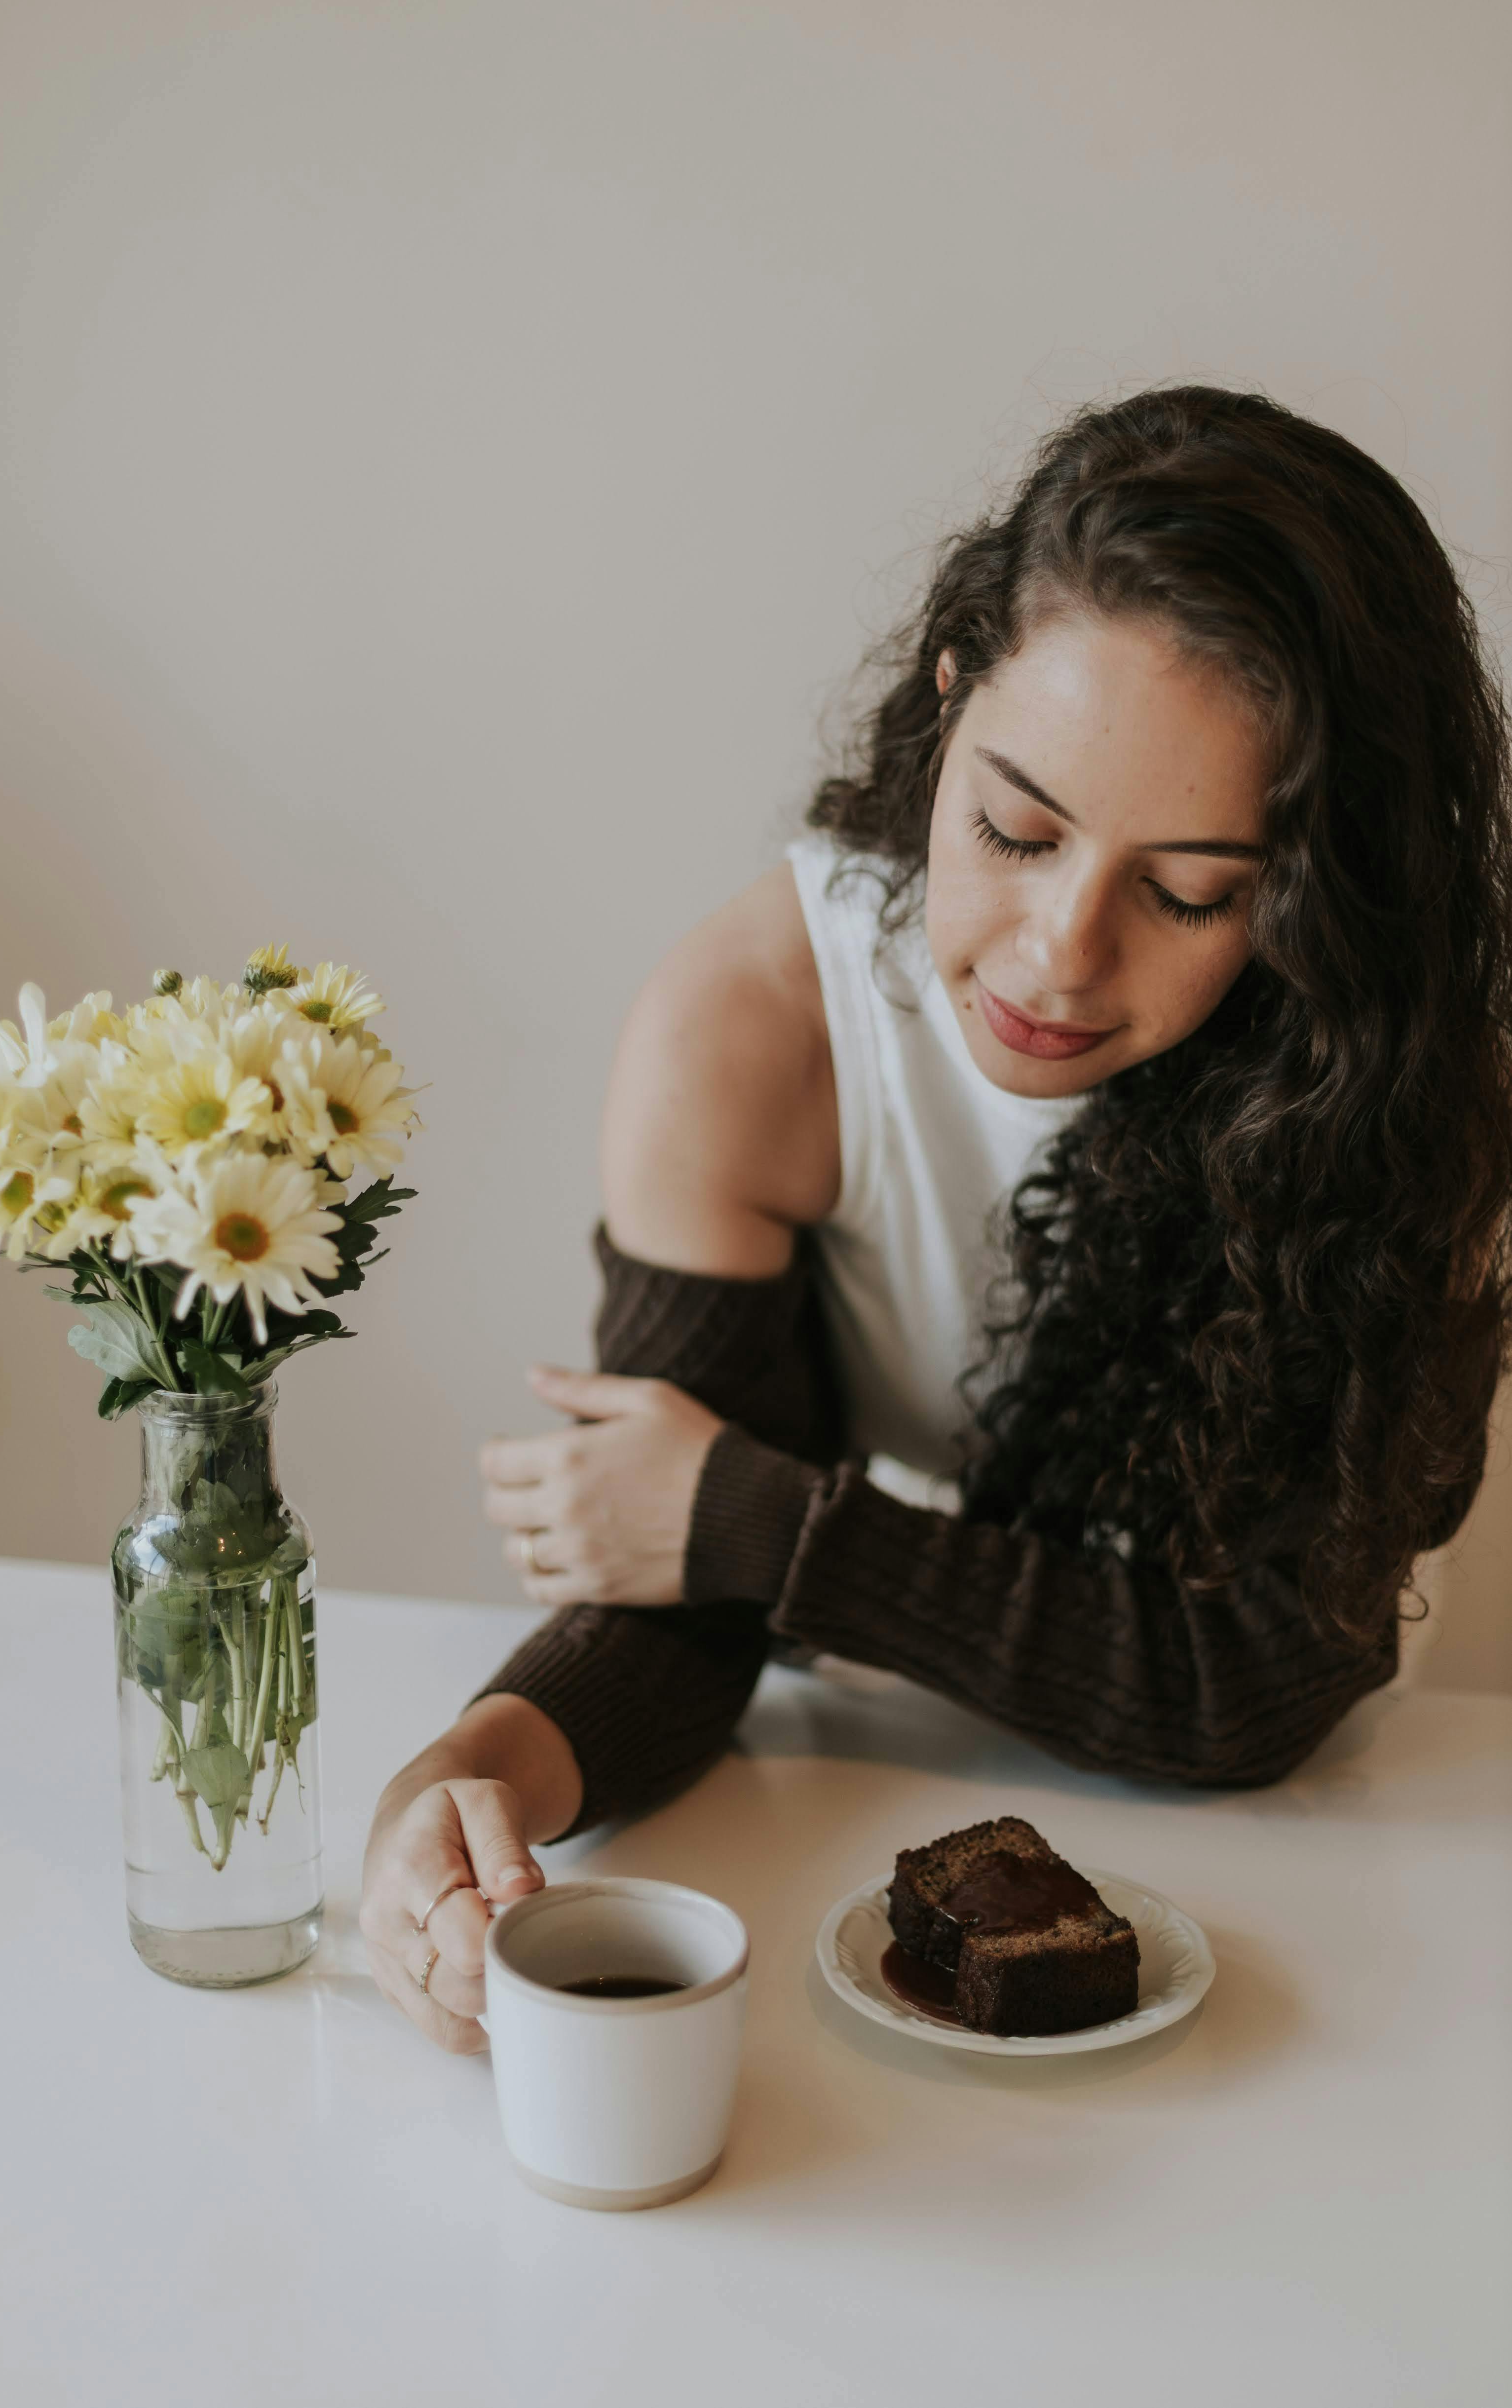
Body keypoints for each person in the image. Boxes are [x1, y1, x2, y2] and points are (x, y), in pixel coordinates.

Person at [361, 384, 1512, 2052]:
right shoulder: (755, 1029)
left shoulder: (1392, 1095)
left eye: (1190, 892)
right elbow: (684, 1586)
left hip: (1324, 1857)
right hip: (895, 1814)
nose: (1058, 952)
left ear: (1316, 884)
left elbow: (1260, 1674)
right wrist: (457, 1777)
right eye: (1014, 829)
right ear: (948, 692)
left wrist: (769, 1524)